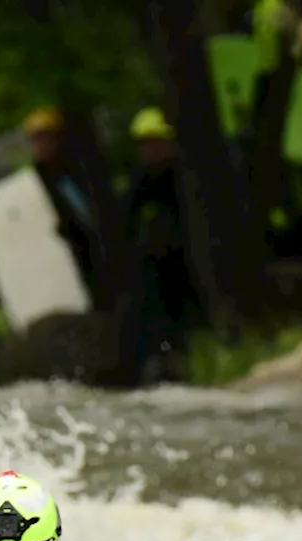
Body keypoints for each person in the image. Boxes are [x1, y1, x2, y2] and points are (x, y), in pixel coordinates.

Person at [122, 107, 197, 376]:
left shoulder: (187, 176)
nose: (151, 149)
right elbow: (126, 223)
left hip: (188, 261)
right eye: (145, 143)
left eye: (156, 142)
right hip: (154, 263)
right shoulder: (139, 180)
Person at [23, 108, 102, 306]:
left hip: (96, 235)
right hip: (71, 246)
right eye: (37, 140)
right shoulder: (36, 179)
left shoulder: (77, 163)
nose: (42, 145)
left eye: (46, 138)